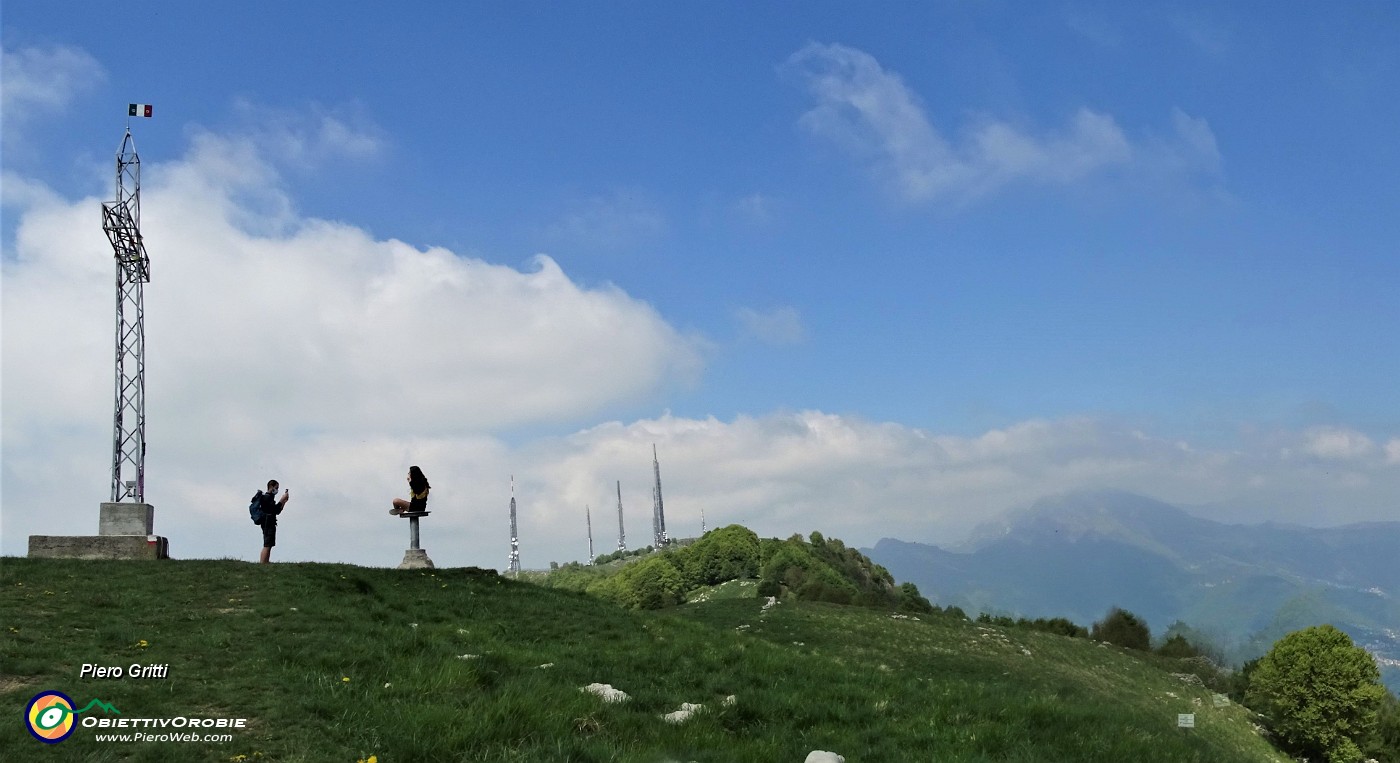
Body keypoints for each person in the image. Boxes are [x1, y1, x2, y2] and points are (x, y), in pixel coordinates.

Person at [253, 479, 290, 563]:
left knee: (270, 544)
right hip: (267, 522)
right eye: (276, 487)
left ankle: (266, 562)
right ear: (271, 487)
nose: (277, 490)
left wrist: (284, 501)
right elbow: (273, 509)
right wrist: (281, 499)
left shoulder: (270, 498)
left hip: (270, 521)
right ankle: (263, 563)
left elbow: (277, 511)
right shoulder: (267, 497)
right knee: (267, 544)